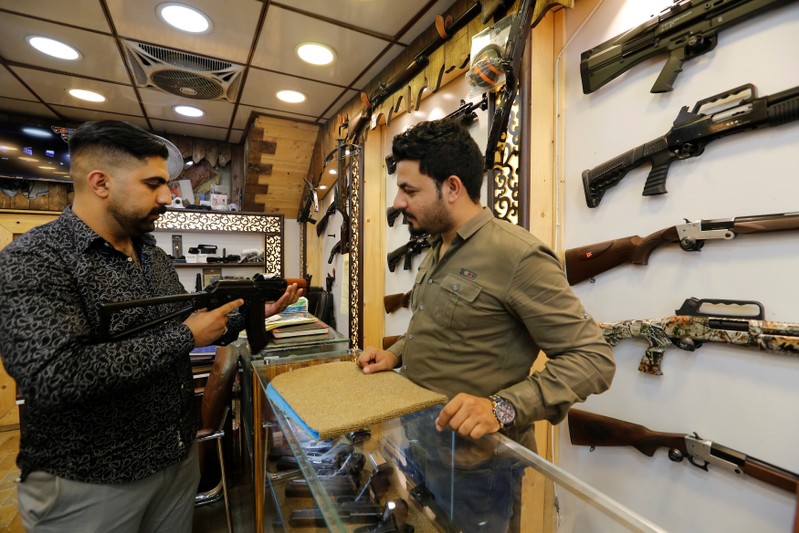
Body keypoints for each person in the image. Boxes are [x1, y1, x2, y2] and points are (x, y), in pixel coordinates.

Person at [0, 120, 301, 532]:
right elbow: (54, 375)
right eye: (153, 184)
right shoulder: (35, 258)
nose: (167, 197)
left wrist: (252, 315)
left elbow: (182, 324)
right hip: (91, 486)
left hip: (174, 464)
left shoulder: (152, 255)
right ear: (100, 182)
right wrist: (185, 336)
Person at [357, 118, 615, 531]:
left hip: (478, 468)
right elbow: (438, 327)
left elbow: (593, 358)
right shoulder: (439, 249)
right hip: (424, 445)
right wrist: (394, 354)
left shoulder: (516, 255)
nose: (398, 202)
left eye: (409, 190)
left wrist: (503, 406)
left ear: (452, 187)